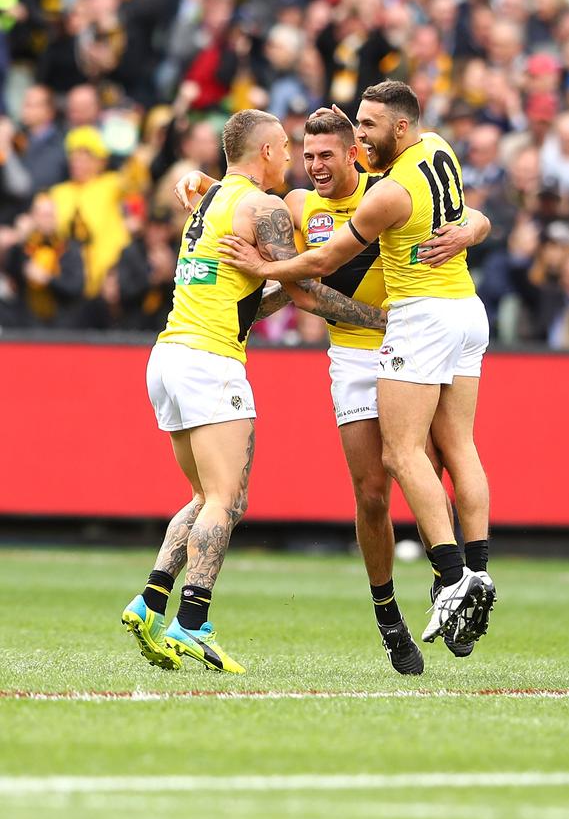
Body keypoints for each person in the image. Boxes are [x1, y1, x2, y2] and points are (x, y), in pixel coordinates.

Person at [175, 110, 491, 671]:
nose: (316, 166)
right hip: (354, 353)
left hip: (413, 334)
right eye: (308, 155)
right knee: (372, 490)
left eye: (327, 155)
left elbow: (465, 210)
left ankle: (453, 584)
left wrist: (472, 228)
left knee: (430, 461)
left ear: (355, 154)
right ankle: (388, 616)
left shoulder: (384, 187)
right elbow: (302, 289)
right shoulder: (298, 207)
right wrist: (201, 183)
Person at [121, 108, 387, 675]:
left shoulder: (212, 199)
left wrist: (275, 281)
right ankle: (192, 623)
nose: (292, 159)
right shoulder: (263, 206)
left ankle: (150, 601)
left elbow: (267, 293)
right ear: (265, 151)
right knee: (228, 500)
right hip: (211, 359)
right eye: (287, 148)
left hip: (168, 354)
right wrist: (383, 321)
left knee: (201, 496)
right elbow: (308, 289)